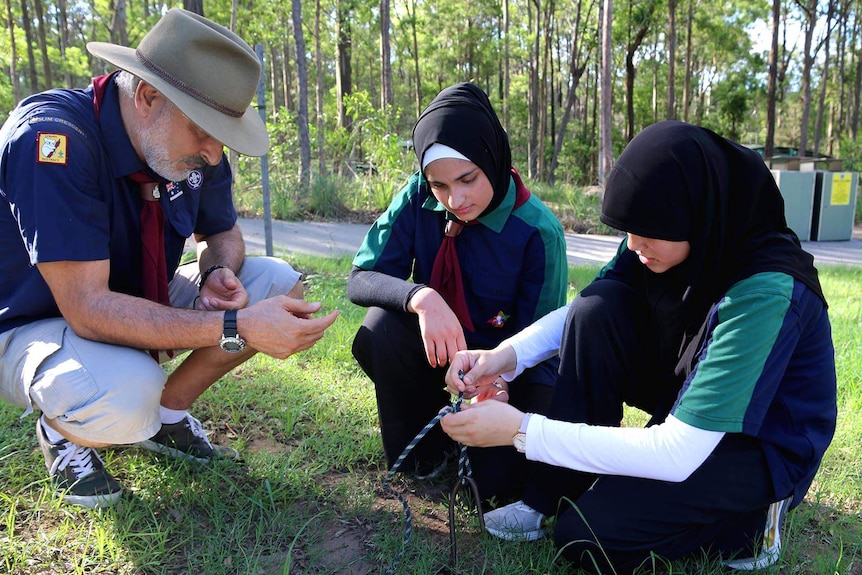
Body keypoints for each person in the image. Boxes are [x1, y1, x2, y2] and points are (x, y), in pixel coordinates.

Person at [441, 121, 837, 573]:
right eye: (628, 230)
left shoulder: (765, 290)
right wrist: (504, 357)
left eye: (646, 232)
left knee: (587, 538)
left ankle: (752, 524)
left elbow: (676, 452)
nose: (633, 245)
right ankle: (552, 492)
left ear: (697, 209)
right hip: (693, 405)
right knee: (598, 307)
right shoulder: (663, 237)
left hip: (760, 443)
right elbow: (582, 311)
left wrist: (521, 430)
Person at [0, 8, 339, 509]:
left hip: (135, 298)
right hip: (37, 323)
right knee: (127, 396)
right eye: (204, 132)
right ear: (148, 96)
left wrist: (216, 270)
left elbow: (220, 229)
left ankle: (170, 417)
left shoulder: (193, 145)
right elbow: (89, 309)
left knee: (279, 284)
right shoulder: (54, 141)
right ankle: (64, 431)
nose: (214, 154)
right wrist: (236, 323)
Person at [347, 82, 567, 499]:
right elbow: (361, 278)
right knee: (381, 329)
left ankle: (483, 446)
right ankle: (426, 449)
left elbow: (542, 343)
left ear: (493, 157)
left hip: (505, 369)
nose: (455, 199)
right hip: (438, 353)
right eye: (439, 185)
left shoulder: (539, 232)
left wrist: (499, 378)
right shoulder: (417, 197)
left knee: (493, 491)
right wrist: (422, 297)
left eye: (468, 179)